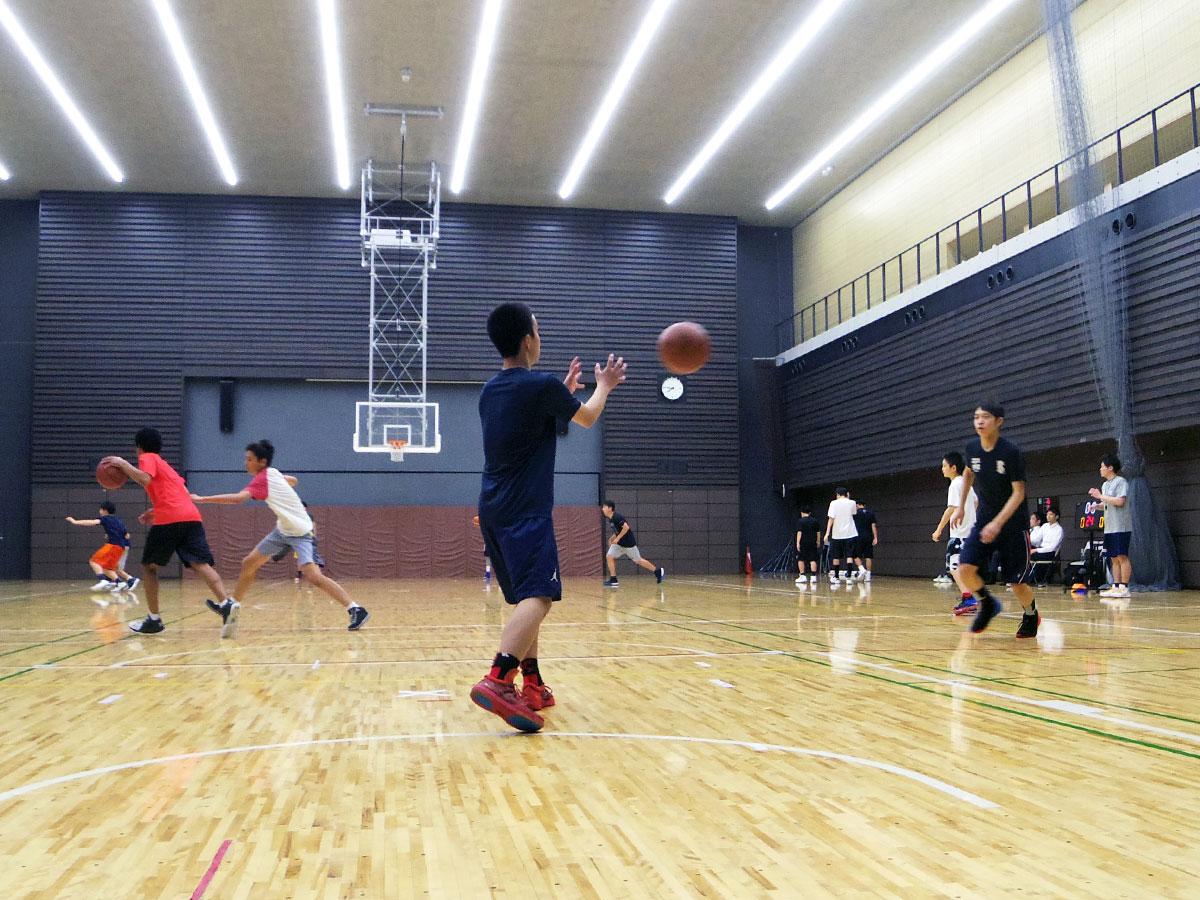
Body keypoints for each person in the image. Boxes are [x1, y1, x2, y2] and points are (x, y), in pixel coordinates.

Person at [469, 302, 626, 733]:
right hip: (525, 508)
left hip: (493, 506)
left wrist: (561, 393)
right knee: (539, 595)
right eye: (538, 330)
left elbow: (534, 425)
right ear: (527, 341)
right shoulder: (540, 386)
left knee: (525, 599)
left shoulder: (490, 391)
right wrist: (604, 384)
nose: (540, 337)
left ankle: (533, 683)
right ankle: (499, 678)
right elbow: (588, 417)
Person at [191, 440, 369, 631]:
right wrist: (285, 484)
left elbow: (239, 499)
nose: (246, 463)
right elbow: (294, 480)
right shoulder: (272, 473)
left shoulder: (263, 478)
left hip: (301, 532)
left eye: (249, 459)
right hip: (283, 530)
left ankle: (356, 609)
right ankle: (232, 605)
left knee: (313, 576)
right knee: (249, 563)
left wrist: (203, 499)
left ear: (262, 461)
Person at [101, 428, 236, 636]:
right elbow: (180, 495)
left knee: (148, 567)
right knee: (200, 563)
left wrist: (121, 463)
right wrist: (154, 511)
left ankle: (154, 620)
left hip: (170, 519)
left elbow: (144, 479)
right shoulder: (167, 467)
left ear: (139, 447)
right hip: (191, 516)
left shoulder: (148, 457)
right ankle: (226, 603)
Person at [950, 403, 1039, 638]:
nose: (979, 421)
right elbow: (969, 473)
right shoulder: (971, 448)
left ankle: (1031, 615)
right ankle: (987, 604)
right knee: (965, 568)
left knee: (1017, 583)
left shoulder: (1010, 452)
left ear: (999, 421)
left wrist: (998, 523)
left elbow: (1019, 493)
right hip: (985, 521)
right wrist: (960, 507)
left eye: (985, 417)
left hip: (1012, 524)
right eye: (976, 417)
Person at [932, 451, 978, 614]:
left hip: (959, 533)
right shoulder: (967, 485)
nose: (942, 468)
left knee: (953, 566)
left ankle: (968, 597)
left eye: (944, 465)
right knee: (964, 568)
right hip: (970, 532)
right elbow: (976, 502)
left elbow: (951, 508)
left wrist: (938, 529)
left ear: (953, 467)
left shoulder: (955, 484)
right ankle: (970, 598)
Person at [65, 501, 139, 592]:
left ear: (104, 510)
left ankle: (103, 580)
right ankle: (119, 583)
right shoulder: (118, 521)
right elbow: (127, 535)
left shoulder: (105, 518)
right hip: (121, 547)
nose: (99, 511)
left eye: (100, 509)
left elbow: (92, 522)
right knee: (107, 568)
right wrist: (111, 533)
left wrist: (75, 521)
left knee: (94, 561)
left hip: (113, 545)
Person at [1090, 453, 1131, 598]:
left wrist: (1100, 496)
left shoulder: (1121, 482)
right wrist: (1097, 506)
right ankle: (1116, 586)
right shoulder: (1105, 485)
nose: (1100, 469)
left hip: (1121, 526)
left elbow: (1120, 502)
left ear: (1110, 468)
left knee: (1122, 556)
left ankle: (1124, 588)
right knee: (1113, 557)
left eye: (1102, 466)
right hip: (1110, 527)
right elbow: (1108, 503)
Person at [601, 501, 665, 587]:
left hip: (628, 544)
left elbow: (626, 527)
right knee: (609, 556)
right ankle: (613, 579)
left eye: (604, 507)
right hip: (619, 544)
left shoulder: (617, 517)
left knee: (638, 560)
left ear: (610, 508)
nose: (603, 509)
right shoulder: (611, 518)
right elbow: (618, 530)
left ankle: (657, 571)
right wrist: (612, 538)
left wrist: (618, 538)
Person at [824, 487, 858, 584]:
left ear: (838, 494)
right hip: (850, 533)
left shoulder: (833, 503)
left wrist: (827, 533)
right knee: (849, 555)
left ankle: (837, 577)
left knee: (836, 556)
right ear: (846, 493)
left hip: (837, 534)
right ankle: (849, 577)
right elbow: (853, 513)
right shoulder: (852, 502)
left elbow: (831, 519)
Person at [1027, 507, 1064, 585]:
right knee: (1024, 554)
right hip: (1041, 550)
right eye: (1047, 514)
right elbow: (1036, 540)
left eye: (1051, 514)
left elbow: (1052, 548)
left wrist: (1036, 550)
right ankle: (1022, 579)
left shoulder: (1059, 529)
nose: (1048, 516)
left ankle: (1027, 580)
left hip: (1050, 553)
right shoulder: (1044, 526)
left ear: (1056, 517)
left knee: (1029, 556)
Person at [794, 505, 822, 587]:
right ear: (810, 513)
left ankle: (802, 576)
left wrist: (797, 542)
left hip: (803, 542)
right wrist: (818, 541)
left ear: (801, 512)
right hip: (812, 542)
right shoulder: (815, 521)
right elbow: (818, 533)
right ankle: (813, 577)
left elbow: (799, 532)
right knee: (812, 559)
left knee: (801, 559)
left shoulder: (800, 521)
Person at [851, 500, 878, 582]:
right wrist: (875, 537)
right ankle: (868, 575)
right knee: (868, 556)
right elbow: (873, 526)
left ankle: (862, 569)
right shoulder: (871, 513)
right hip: (868, 537)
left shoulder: (855, 514)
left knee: (854, 554)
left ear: (858, 505)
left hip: (858, 537)